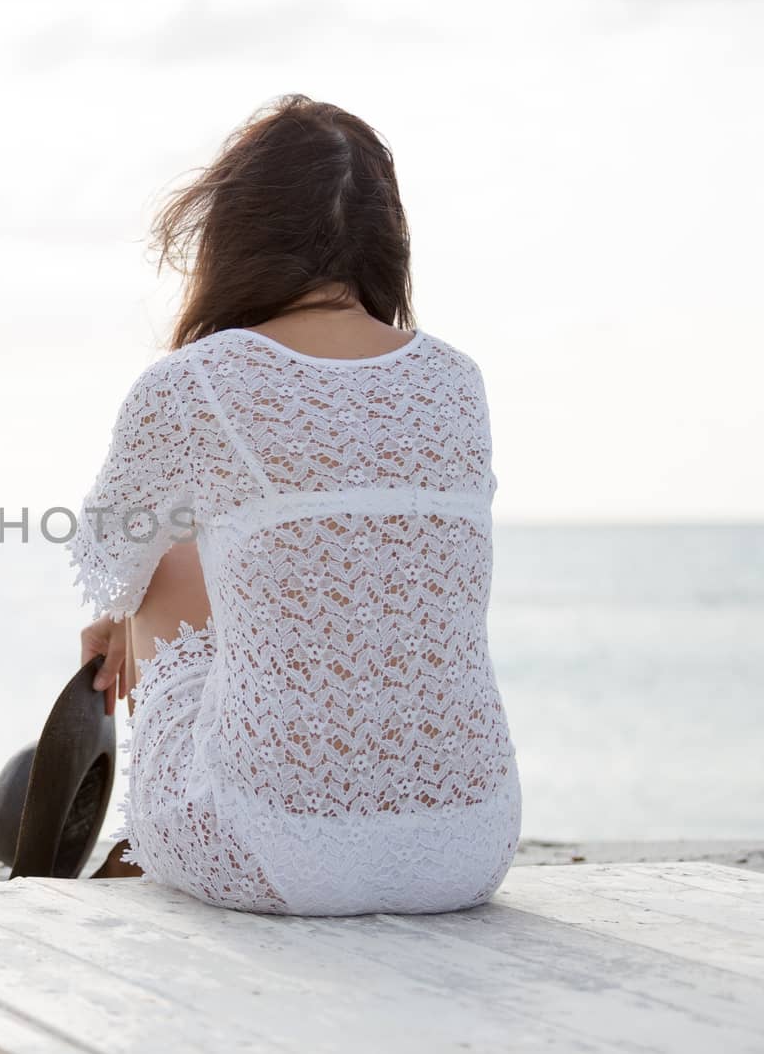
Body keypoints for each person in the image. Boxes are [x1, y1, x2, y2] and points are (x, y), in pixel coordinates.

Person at [70, 95, 522, 914]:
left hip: (271, 849)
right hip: (471, 846)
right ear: (387, 243)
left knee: (169, 553)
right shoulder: (458, 380)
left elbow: (109, 557)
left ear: (234, 232)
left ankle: (177, 812)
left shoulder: (195, 380)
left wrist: (120, 620)